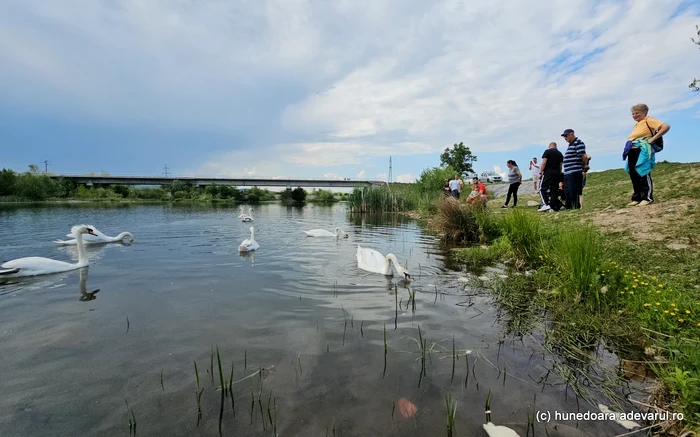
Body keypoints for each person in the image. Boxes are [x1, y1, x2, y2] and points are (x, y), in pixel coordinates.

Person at [623, 103, 670, 206]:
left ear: (645, 112)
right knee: (633, 174)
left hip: (642, 150)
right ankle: (637, 198)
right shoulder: (637, 124)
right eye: (633, 114)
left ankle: (647, 197)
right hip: (632, 150)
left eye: (637, 113)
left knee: (642, 172)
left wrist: (653, 139)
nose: (634, 115)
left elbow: (665, 126)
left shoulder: (649, 120)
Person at [561, 129, 588, 210]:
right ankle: (569, 207)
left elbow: (584, 156)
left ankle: (576, 207)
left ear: (572, 134)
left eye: (566, 136)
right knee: (567, 191)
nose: (565, 138)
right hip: (568, 172)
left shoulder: (578, 143)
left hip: (575, 171)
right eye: (564, 137)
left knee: (574, 191)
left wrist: (584, 166)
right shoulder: (570, 145)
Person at [537, 142, 563, 212]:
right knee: (554, 191)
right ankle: (552, 207)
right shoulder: (560, 154)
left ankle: (545, 204)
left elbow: (544, 162)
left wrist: (541, 172)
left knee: (542, 189)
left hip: (548, 173)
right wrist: (559, 173)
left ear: (549, 146)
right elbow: (560, 165)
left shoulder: (547, 151)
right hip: (557, 173)